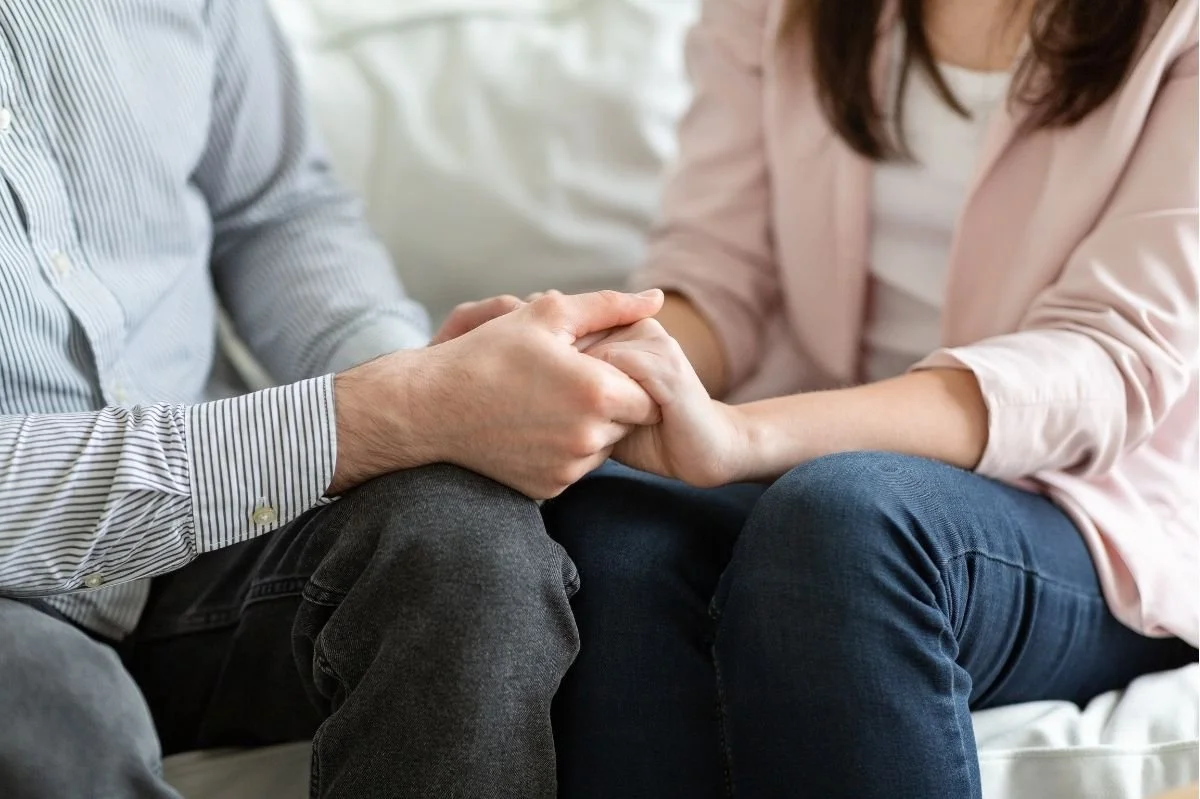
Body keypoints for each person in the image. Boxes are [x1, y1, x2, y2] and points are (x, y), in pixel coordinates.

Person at [446, 0, 1200, 795]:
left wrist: (742, 436)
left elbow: (1109, 361)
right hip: (812, 472)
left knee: (846, 525)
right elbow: (720, 273)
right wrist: (591, 354)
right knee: (611, 529)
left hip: (1099, 511)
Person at [0, 1, 667, 797]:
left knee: (462, 536)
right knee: (50, 711)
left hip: (207, 539)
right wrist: (393, 408)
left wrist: (424, 382)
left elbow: (274, 210)